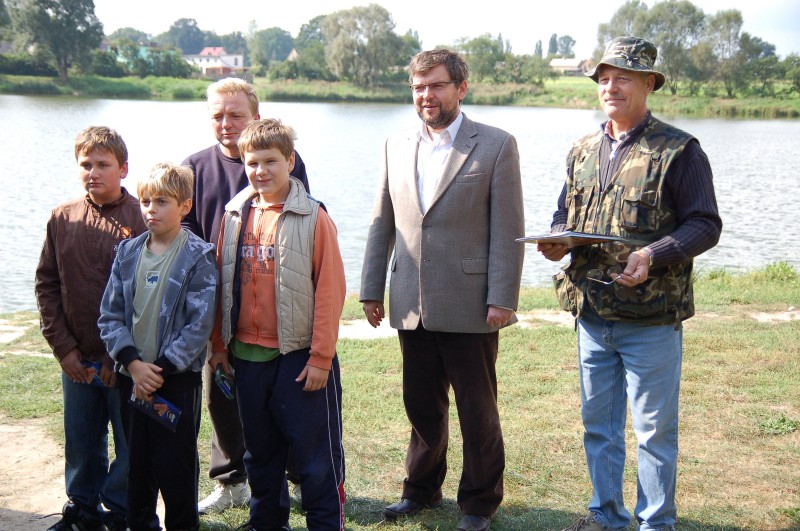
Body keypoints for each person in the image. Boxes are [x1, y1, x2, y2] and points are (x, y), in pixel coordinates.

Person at [536, 37, 722, 531]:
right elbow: (564, 215)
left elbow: (705, 224)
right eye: (603, 79)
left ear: (647, 84)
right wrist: (559, 242)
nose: (610, 87)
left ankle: (655, 523)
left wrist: (650, 254)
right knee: (599, 428)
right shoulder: (582, 150)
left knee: (654, 431)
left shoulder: (679, 150)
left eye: (622, 77)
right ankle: (605, 515)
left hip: (651, 320)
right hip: (592, 316)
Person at [360, 49, 525, 531]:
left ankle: (478, 504)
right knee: (421, 406)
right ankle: (421, 490)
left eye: (435, 85)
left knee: (477, 411)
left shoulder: (496, 145)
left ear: (460, 88)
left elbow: (508, 228)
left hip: (471, 302)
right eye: (417, 87)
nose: (425, 95)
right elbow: (380, 222)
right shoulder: (395, 143)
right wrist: (372, 288)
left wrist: (503, 297)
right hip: (411, 300)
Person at [209, 118, 346, 530]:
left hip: (300, 357)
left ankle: (326, 523)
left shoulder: (313, 217)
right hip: (246, 357)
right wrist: (219, 345)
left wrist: (321, 357)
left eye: (270, 161)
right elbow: (222, 283)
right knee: (259, 453)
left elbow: (330, 291)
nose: (260, 171)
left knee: (314, 455)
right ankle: (266, 521)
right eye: (252, 162)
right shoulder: (234, 215)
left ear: (290, 161)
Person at [181, 77, 310, 514]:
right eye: (217, 115)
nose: (226, 123)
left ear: (256, 115)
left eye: (235, 114)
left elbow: (302, 225)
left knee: (281, 394)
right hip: (215, 304)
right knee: (221, 391)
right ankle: (230, 479)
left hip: (273, 306)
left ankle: (291, 476)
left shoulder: (284, 162)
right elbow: (184, 237)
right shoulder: (193, 169)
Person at [35, 125, 147, 531]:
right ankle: (82, 509)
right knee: (81, 442)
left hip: (125, 361)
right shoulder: (62, 218)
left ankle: (121, 510)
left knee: (133, 443)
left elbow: (146, 299)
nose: (94, 172)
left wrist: (111, 357)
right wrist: (63, 349)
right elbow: (47, 283)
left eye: (104, 164)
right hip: (76, 357)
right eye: (86, 164)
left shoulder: (142, 219)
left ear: (124, 169)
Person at [98, 162, 219, 531]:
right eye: (146, 201)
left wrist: (158, 371)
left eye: (162, 201)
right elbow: (110, 316)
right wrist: (134, 365)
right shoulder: (128, 253)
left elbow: (199, 326)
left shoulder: (199, 256)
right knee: (137, 467)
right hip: (131, 380)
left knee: (177, 470)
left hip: (176, 383)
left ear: (185, 206)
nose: (151, 209)